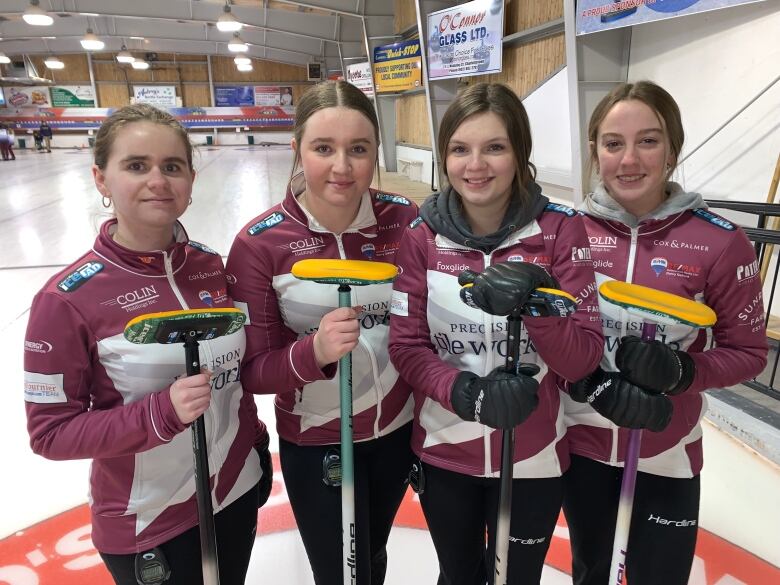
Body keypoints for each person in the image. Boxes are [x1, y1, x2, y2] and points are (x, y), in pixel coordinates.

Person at [23, 104, 272, 585]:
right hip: (149, 521)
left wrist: (255, 446)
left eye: (171, 166)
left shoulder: (209, 266)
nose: (157, 180)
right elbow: (49, 434)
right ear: (101, 178)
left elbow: (234, 377)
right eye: (137, 165)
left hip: (235, 491)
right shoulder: (66, 299)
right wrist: (160, 415)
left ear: (191, 180)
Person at [388, 82, 604, 585]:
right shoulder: (420, 236)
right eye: (460, 149)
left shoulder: (559, 230)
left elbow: (582, 359)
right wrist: (463, 392)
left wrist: (541, 304)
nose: (475, 165)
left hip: (534, 453)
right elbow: (406, 345)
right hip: (446, 448)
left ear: (519, 153)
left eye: (494, 147)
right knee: (458, 576)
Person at [562, 80, 768, 585]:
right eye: (613, 143)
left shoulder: (719, 241)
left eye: (648, 141)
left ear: (673, 148)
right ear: (595, 152)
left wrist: (683, 370)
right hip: (581, 443)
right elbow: (550, 337)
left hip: (666, 452)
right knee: (592, 572)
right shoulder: (565, 232)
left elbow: (749, 352)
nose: (629, 159)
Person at [225, 80, 417, 585]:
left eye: (358, 149)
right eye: (323, 148)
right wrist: (313, 353)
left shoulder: (406, 220)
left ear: (377, 150)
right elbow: (253, 371)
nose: (342, 167)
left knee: (371, 557)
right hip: (317, 441)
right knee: (338, 570)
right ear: (296, 149)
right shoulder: (260, 243)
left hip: (397, 430)